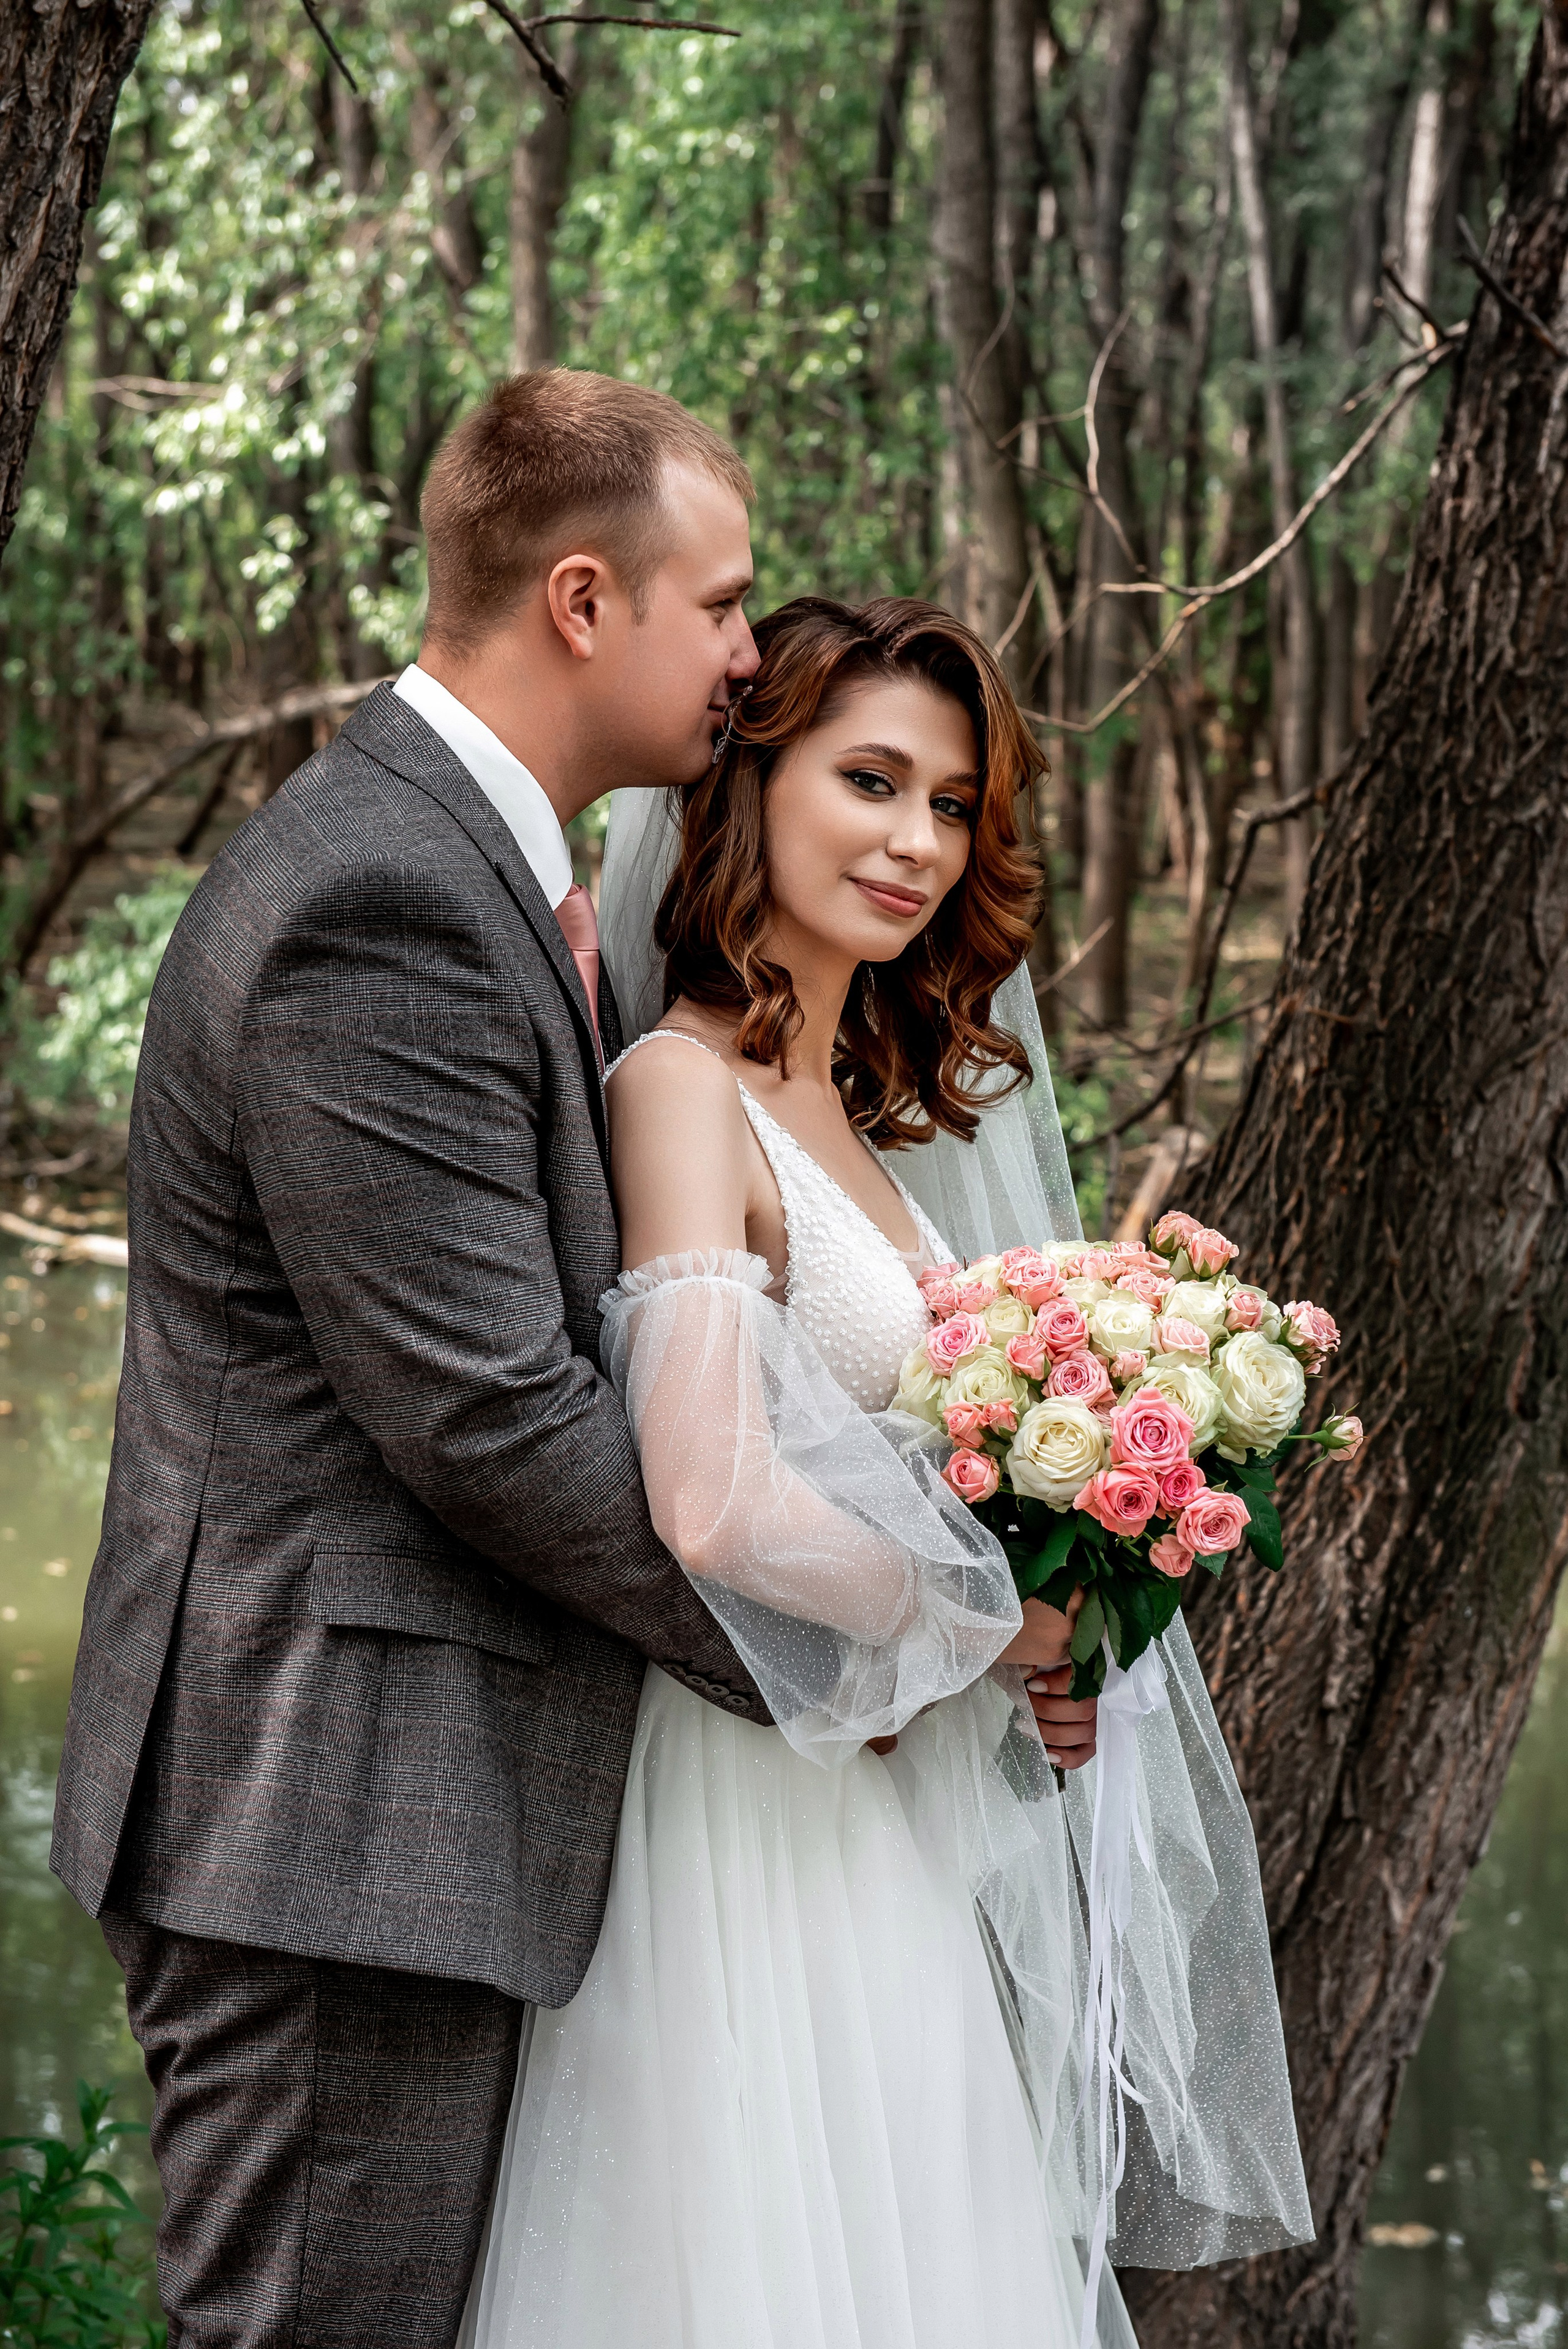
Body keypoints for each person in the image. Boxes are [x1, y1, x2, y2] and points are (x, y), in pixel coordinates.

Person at [459, 597, 1313, 2349]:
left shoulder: (854, 1106)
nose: (915, 840)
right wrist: (1000, 1623)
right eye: (868, 779)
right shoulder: (680, 1091)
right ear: (751, 784)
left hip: (871, 1814)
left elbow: (897, 1484)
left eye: (948, 802)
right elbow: (706, 1497)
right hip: (738, 1822)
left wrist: (1054, 1594)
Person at [50, 369, 799, 2348]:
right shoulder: (380, 896)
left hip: (392, 1821)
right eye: (719, 604)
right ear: (580, 600)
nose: (747, 650)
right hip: (328, 1823)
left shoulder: (489, 869)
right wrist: (830, 1659)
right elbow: (484, 1412)